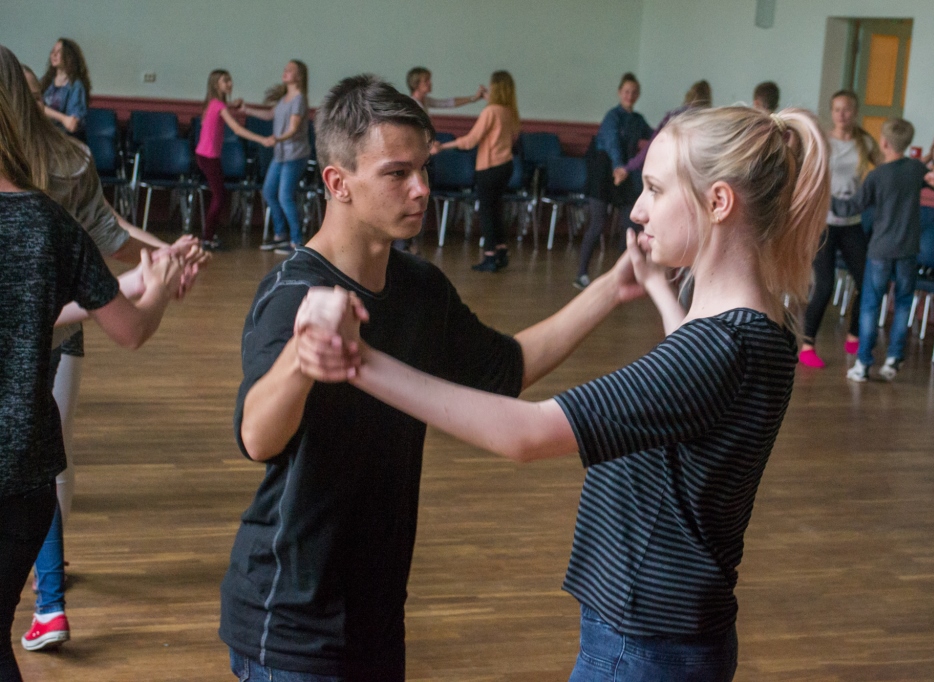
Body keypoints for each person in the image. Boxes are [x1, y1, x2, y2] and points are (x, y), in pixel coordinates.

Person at [306, 105, 831, 682]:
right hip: (673, 636)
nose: (638, 209)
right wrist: (659, 291)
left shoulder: (717, 349)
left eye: (656, 190)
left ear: (719, 202)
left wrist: (357, 361)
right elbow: (694, 380)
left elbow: (527, 434)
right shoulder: (763, 328)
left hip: (643, 647)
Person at [220, 74, 647, 681]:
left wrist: (609, 289)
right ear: (338, 183)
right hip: (288, 622)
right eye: (397, 173)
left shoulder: (420, 287)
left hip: (377, 615)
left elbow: (505, 369)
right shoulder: (292, 295)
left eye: (423, 168)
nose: (421, 189)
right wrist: (302, 357)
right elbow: (257, 438)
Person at [0, 43, 208, 653]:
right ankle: (48, 602)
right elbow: (129, 327)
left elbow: (108, 239)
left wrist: (153, 268)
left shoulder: (63, 186)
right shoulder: (47, 222)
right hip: (20, 474)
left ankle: (50, 603)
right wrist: (154, 282)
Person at [831, 117, 934, 381]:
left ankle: (863, 363)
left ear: (884, 143)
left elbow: (849, 208)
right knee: (903, 304)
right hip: (908, 250)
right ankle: (893, 359)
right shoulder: (916, 169)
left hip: (880, 250)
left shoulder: (877, 175)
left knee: (870, 306)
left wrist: (824, 196)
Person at [799, 90, 882, 368]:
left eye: (846, 109)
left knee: (866, 281)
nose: (841, 115)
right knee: (825, 284)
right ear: (832, 112)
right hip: (823, 223)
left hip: (851, 223)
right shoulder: (824, 141)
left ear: (855, 112)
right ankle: (807, 345)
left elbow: (887, 166)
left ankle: (854, 334)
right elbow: (808, 172)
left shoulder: (864, 142)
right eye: (836, 109)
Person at [432, 70, 520, 272]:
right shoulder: (509, 111)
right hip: (506, 166)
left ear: (495, 88)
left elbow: (471, 140)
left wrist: (442, 146)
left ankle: (489, 256)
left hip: (489, 167)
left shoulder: (490, 112)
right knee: (496, 209)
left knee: (487, 212)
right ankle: (501, 251)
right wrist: (486, 98)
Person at [575, 73, 652, 289]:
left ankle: (623, 276)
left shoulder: (638, 120)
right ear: (620, 93)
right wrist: (619, 166)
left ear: (638, 94)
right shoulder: (612, 117)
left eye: (634, 92)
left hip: (624, 176)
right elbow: (612, 143)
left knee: (630, 227)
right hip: (603, 176)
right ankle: (581, 274)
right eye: (626, 91)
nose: (630, 95)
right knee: (597, 224)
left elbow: (654, 136)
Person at [195, 69, 275, 251]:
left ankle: (209, 236)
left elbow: (221, 110)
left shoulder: (213, 103)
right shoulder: (219, 106)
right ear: (216, 84)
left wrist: (233, 105)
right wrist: (262, 139)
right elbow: (237, 129)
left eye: (230, 80)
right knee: (219, 196)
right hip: (208, 157)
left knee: (220, 195)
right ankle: (207, 238)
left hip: (206, 156)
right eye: (225, 81)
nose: (230, 83)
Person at [244, 60, 311, 254]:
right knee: (268, 192)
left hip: (295, 155)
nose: (285, 72)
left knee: (284, 196)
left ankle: (297, 241)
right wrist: (245, 109)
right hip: (281, 155)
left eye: (290, 70)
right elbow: (269, 115)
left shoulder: (299, 99)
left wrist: (276, 139)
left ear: (299, 76)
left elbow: (294, 128)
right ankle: (280, 235)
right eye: (285, 69)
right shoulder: (284, 99)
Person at [39, 38, 90, 140]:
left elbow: (72, 124)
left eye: (59, 52)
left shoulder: (75, 85)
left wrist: (44, 110)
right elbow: (35, 106)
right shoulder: (45, 81)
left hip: (63, 139)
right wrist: (62, 118)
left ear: (69, 57)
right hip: (43, 135)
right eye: (53, 51)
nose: (54, 55)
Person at [406, 66, 486, 115]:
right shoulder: (413, 105)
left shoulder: (426, 101)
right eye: (426, 80)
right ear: (415, 84)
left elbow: (447, 103)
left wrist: (474, 98)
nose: (430, 83)